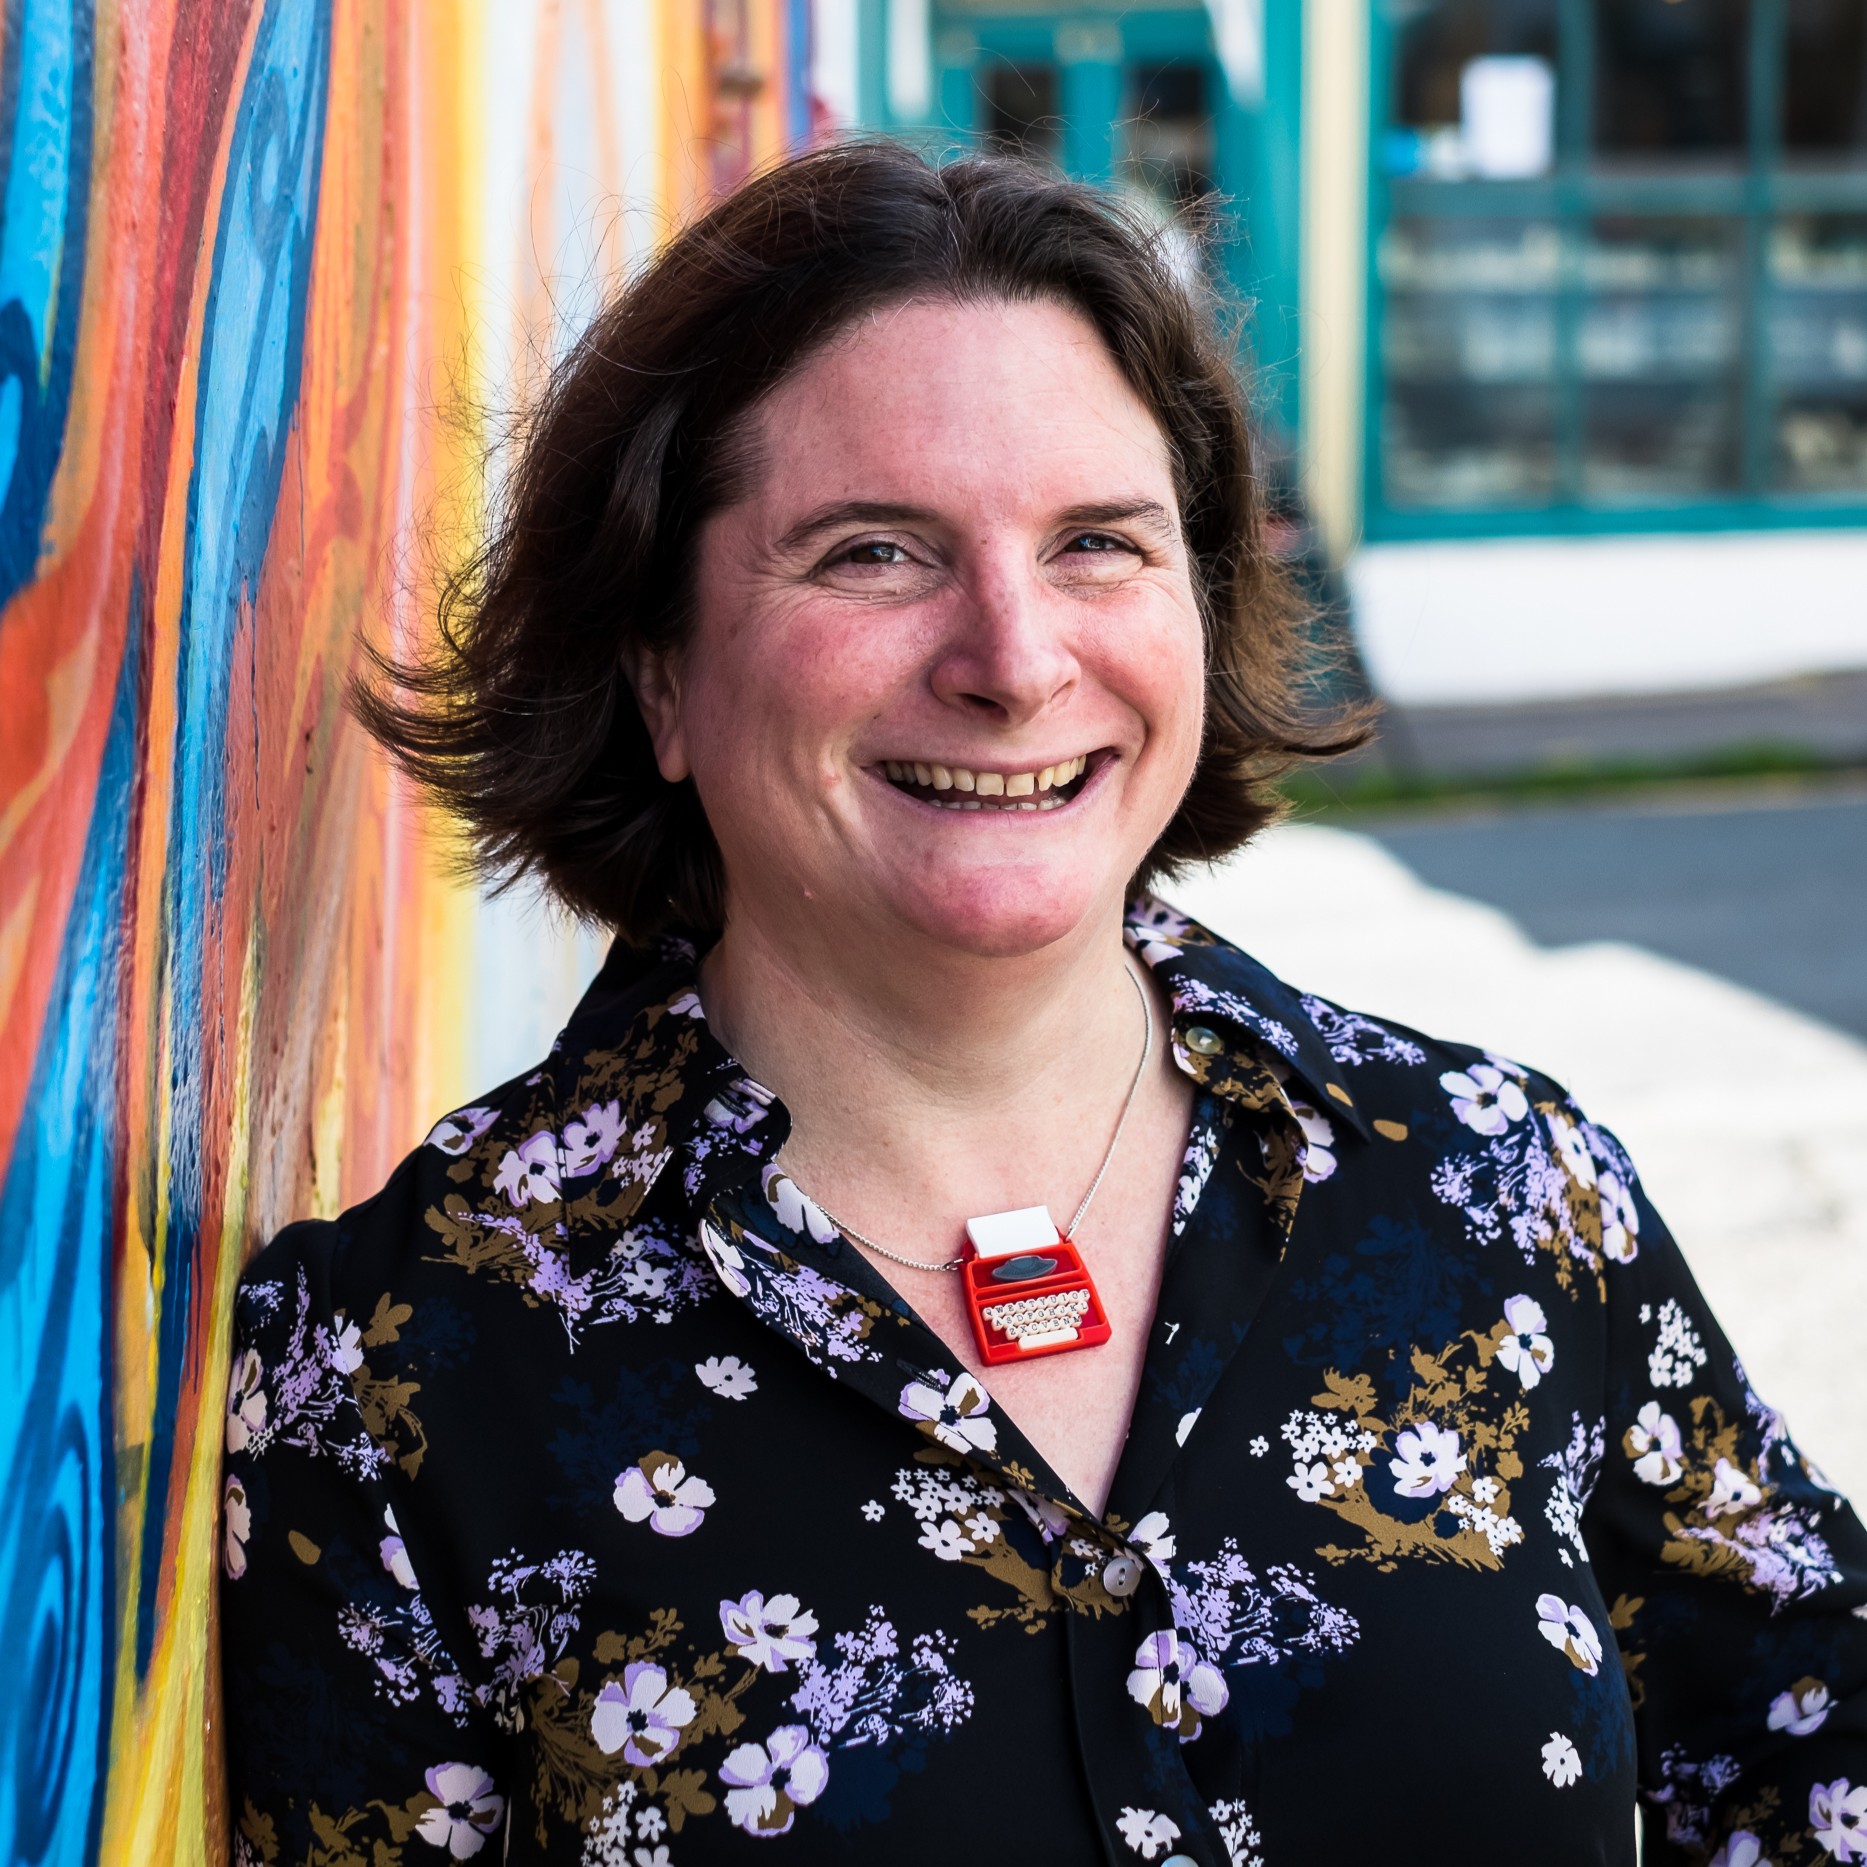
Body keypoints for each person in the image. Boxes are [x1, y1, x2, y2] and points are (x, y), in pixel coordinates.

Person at [220, 143, 1867, 1867]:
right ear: (659, 674)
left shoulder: (1499, 1189)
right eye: (872, 552)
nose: (1013, 661)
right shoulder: (403, 1369)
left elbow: (1813, 1755)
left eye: (1097, 544)